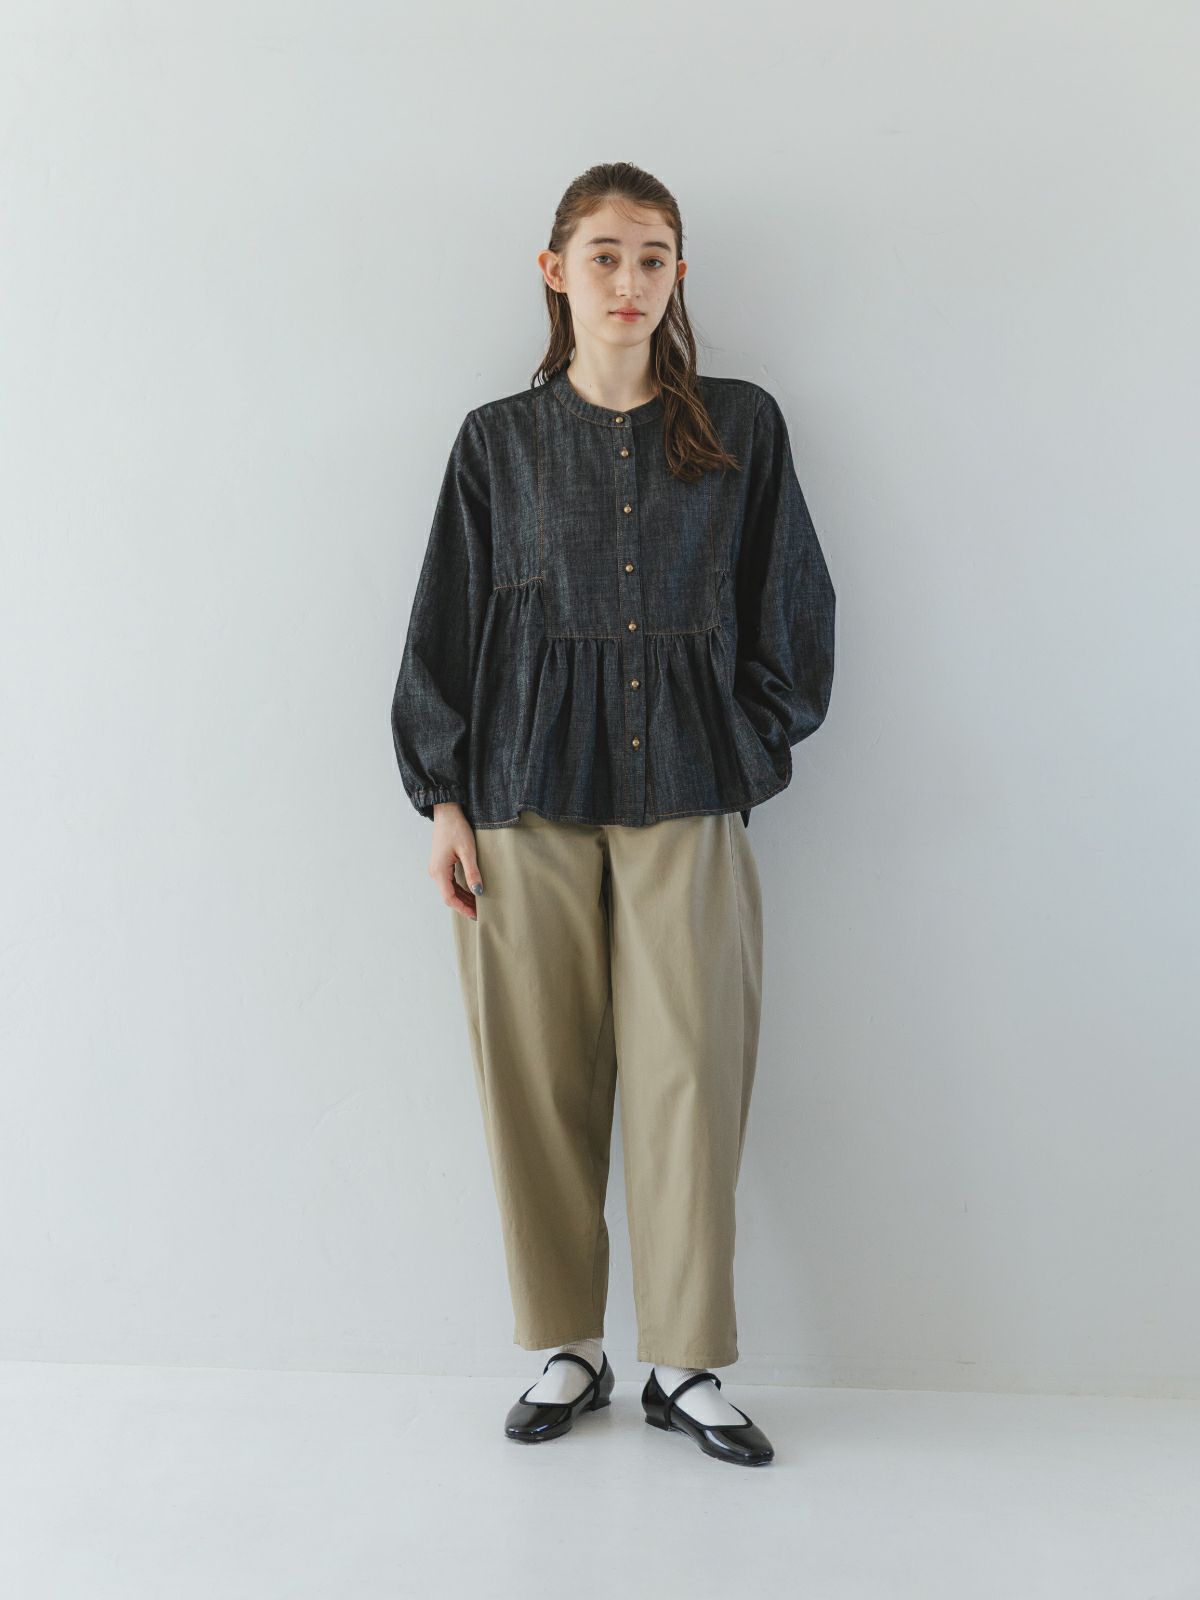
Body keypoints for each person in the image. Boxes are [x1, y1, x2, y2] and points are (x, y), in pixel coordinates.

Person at [390, 162, 836, 1467]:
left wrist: (749, 745)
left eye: (651, 258)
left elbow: (793, 605)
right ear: (556, 272)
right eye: (603, 256)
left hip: (689, 794)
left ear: (676, 274)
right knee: (537, 1076)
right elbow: (442, 624)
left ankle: (685, 1363)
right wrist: (443, 798)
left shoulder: (741, 426)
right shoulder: (497, 442)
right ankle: (566, 1347)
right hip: (517, 802)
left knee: (693, 1071)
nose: (628, 281)